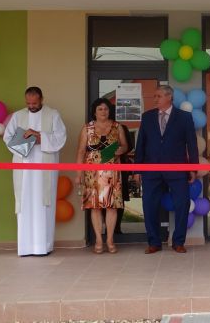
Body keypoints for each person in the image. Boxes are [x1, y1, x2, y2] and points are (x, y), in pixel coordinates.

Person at [3, 87, 67, 256]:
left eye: (34, 103)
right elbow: (7, 137)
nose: (31, 106)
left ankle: (43, 247)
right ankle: (25, 247)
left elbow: (60, 137)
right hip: (24, 167)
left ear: (41, 99)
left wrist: (39, 137)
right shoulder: (18, 116)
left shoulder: (53, 114)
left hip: (45, 166)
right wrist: (26, 140)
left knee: (43, 203)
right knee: (25, 202)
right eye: (28, 103)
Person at [135, 85, 198, 254]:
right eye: (154, 96)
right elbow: (140, 144)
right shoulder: (147, 117)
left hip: (177, 169)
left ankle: (178, 242)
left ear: (169, 97)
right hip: (151, 169)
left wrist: (193, 168)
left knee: (182, 204)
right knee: (149, 205)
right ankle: (154, 243)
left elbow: (192, 144)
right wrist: (137, 169)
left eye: (159, 96)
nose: (155, 99)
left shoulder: (184, 117)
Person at [75, 98, 128, 254]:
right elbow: (81, 151)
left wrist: (121, 150)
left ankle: (110, 239)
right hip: (92, 172)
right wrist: (78, 173)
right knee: (95, 206)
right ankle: (99, 239)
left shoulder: (117, 127)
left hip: (112, 171)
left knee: (112, 206)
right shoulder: (87, 128)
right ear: (94, 111)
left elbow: (125, 145)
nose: (103, 111)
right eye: (100, 109)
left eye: (106, 109)